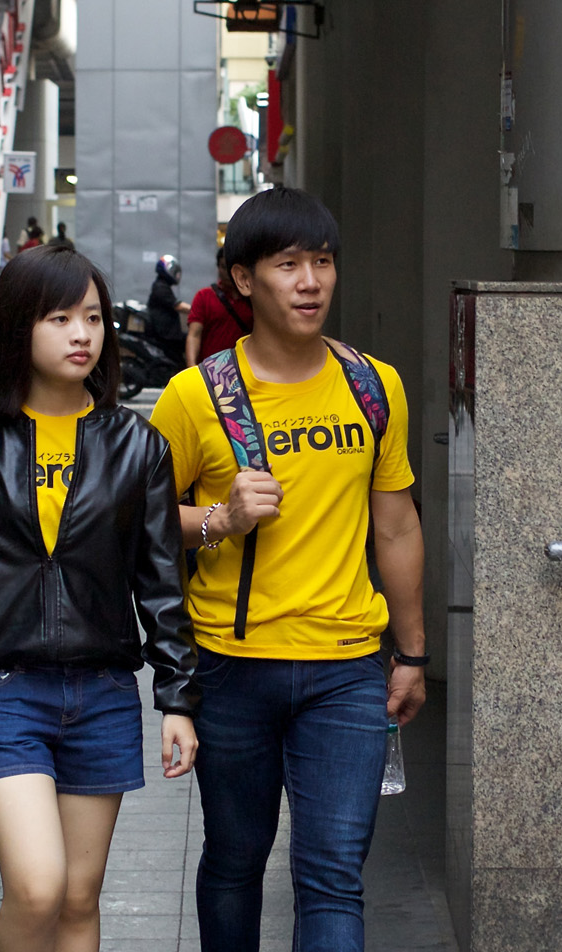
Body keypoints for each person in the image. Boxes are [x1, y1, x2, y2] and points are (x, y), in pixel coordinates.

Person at [148, 186, 427, 951]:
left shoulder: (374, 386)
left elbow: (396, 525)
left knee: (333, 875)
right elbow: (135, 527)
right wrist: (222, 520)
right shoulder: (196, 397)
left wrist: (411, 652)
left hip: (347, 668)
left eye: (325, 264)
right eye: (289, 265)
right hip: (231, 668)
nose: (311, 282)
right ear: (243, 279)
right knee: (235, 862)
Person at [0, 244, 199, 952]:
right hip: (4, 690)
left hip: (101, 691)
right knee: (36, 886)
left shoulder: (137, 445)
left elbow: (160, 580)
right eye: (60, 317)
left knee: (77, 897)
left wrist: (178, 699)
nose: (82, 334)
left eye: (93, 317)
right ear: (18, 329)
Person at [184, 246, 252, 365]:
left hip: (244, 371)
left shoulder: (253, 299)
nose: (227, 273)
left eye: (231, 268)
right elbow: (194, 335)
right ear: (218, 267)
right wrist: (191, 369)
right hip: (210, 372)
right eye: (223, 267)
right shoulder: (204, 296)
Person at [146, 254, 190, 358]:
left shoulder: (160, 285)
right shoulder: (160, 287)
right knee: (189, 341)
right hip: (165, 334)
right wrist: (198, 310)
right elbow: (178, 306)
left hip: (167, 332)